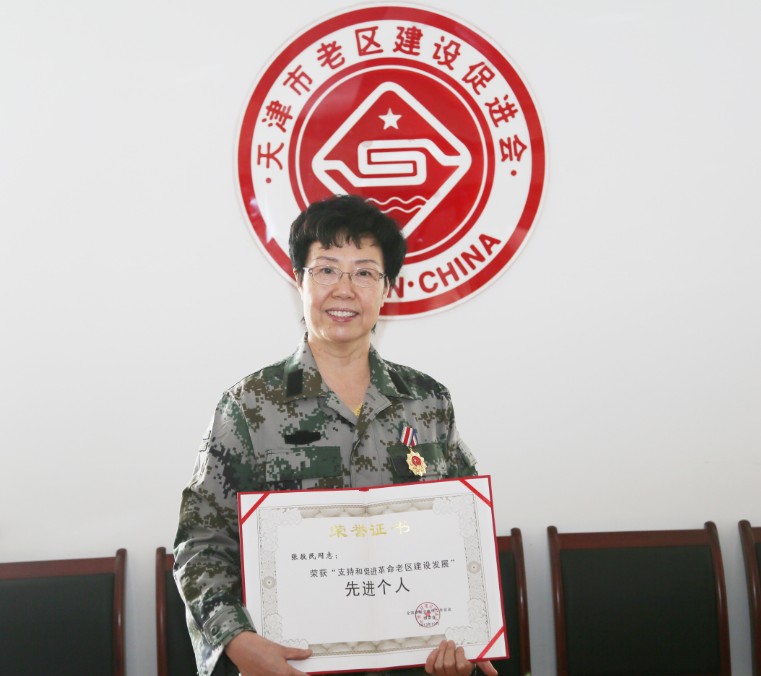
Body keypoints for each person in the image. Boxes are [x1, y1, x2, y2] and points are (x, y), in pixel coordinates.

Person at [174, 194, 496, 676]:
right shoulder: (248, 405)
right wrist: (236, 642)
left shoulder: (427, 402)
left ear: (387, 289)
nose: (344, 290)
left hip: (412, 663)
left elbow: (465, 533)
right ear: (298, 280)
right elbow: (201, 544)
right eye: (326, 270)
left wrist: (471, 635)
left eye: (364, 273)